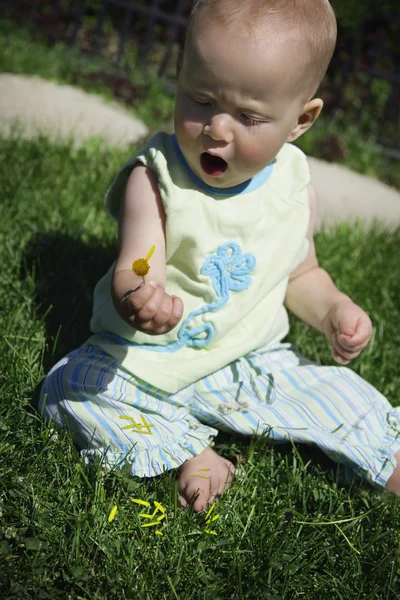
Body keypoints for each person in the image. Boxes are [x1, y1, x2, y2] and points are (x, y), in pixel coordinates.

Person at [40, 0, 400, 512]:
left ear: (301, 119)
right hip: (148, 360)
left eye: (249, 116)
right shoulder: (157, 177)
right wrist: (140, 297)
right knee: (71, 388)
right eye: (201, 99)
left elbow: (301, 272)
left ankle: (386, 452)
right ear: (180, 75)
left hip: (252, 358)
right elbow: (137, 265)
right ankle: (194, 452)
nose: (217, 129)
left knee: (338, 394)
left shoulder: (294, 187)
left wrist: (334, 310)